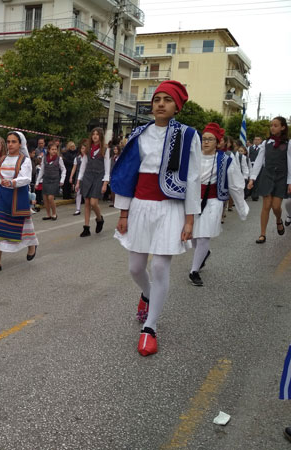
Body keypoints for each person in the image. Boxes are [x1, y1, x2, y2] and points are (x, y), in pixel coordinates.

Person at [111, 80, 201, 356]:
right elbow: (129, 173)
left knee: (160, 267)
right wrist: (124, 212)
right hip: (140, 205)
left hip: (170, 208)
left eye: (167, 100)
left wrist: (190, 220)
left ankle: (150, 328)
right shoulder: (139, 133)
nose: (160, 104)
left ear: (177, 107)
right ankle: (148, 294)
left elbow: (193, 179)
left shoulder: (188, 136)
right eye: (157, 99)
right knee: (136, 268)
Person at [188, 123, 248, 286]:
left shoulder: (226, 159)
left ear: (217, 142)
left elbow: (235, 184)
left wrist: (241, 208)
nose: (206, 142)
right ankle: (204, 253)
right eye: (204, 139)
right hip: (193, 200)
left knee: (203, 235)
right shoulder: (193, 156)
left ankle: (194, 271)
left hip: (213, 201)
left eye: (210, 139)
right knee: (193, 237)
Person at [0, 131, 39, 274]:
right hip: (2, 198)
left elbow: (26, 178)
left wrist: (12, 182)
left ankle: (31, 245)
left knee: (24, 227)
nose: (10, 144)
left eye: (14, 142)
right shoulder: (0, 160)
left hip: (18, 198)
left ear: (20, 144)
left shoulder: (24, 160)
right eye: (8, 141)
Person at [247, 117, 291, 244]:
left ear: (283, 127)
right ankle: (262, 234)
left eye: (275, 125)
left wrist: (290, 181)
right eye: (271, 125)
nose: (272, 127)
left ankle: (278, 220)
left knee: (276, 206)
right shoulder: (265, 143)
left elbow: (290, 163)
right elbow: (259, 161)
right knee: (266, 205)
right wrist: (252, 178)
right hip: (267, 175)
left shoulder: (288, 143)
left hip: (281, 177)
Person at [76, 127, 111, 237]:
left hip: (99, 176)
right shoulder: (88, 149)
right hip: (88, 176)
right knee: (87, 202)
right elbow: (83, 165)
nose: (95, 136)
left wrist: (105, 183)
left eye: (97, 134)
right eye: (93, 134)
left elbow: (107, 168)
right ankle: (86, 228)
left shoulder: (105, 150)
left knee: (93, 203)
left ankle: (99, 219)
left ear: (101, 136)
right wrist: (78, 181)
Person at [36, 140, 66, 220]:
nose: (54, 151)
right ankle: (48, 214)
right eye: (52, 149)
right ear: (48, 150)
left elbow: (63, 170)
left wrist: (62, 180)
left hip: (54, 180)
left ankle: (54, 213)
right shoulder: (44, 158)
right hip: (46, 179)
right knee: (45, 198)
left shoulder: (59, 159)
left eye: (55, 149)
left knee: (50, 197)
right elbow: (42, 170)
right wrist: (37, 182)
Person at [69, 140, 88, 216]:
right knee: (78, 193)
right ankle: (78, 209)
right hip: (78, 177)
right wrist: (71, 177)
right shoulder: (77, 158)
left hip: (87, 177)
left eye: (85, 148)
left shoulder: (89, 158)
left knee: (86, 193)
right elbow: (74, 168)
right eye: (82, 148)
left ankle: (88, 207)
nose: (83, 150)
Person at [247, 136, 262, 201]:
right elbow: (247, 156)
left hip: (259, 166)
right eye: (255, 139)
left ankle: (255, 195)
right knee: (250, 179)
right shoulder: (250, 148)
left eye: (258, 139)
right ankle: (248, 192)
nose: (256, 141)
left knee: (257, 181)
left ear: (260, 141)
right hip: (251, 165)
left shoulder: (262, 148)